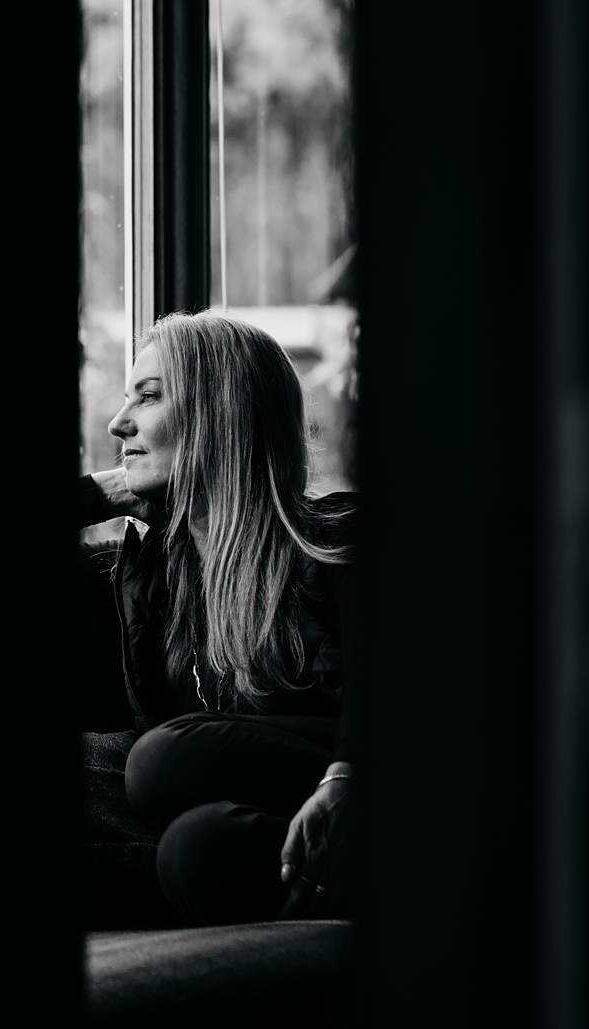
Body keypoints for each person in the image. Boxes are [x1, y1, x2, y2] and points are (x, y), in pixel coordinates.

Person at [79, 311, 358, 927]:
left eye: (148, 398)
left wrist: (343, 781)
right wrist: (93, 497)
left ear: (218, 416)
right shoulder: (146, 578)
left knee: (162, 761)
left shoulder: (335, 542)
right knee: (193, 844)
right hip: (249, 834)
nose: (117, 423)